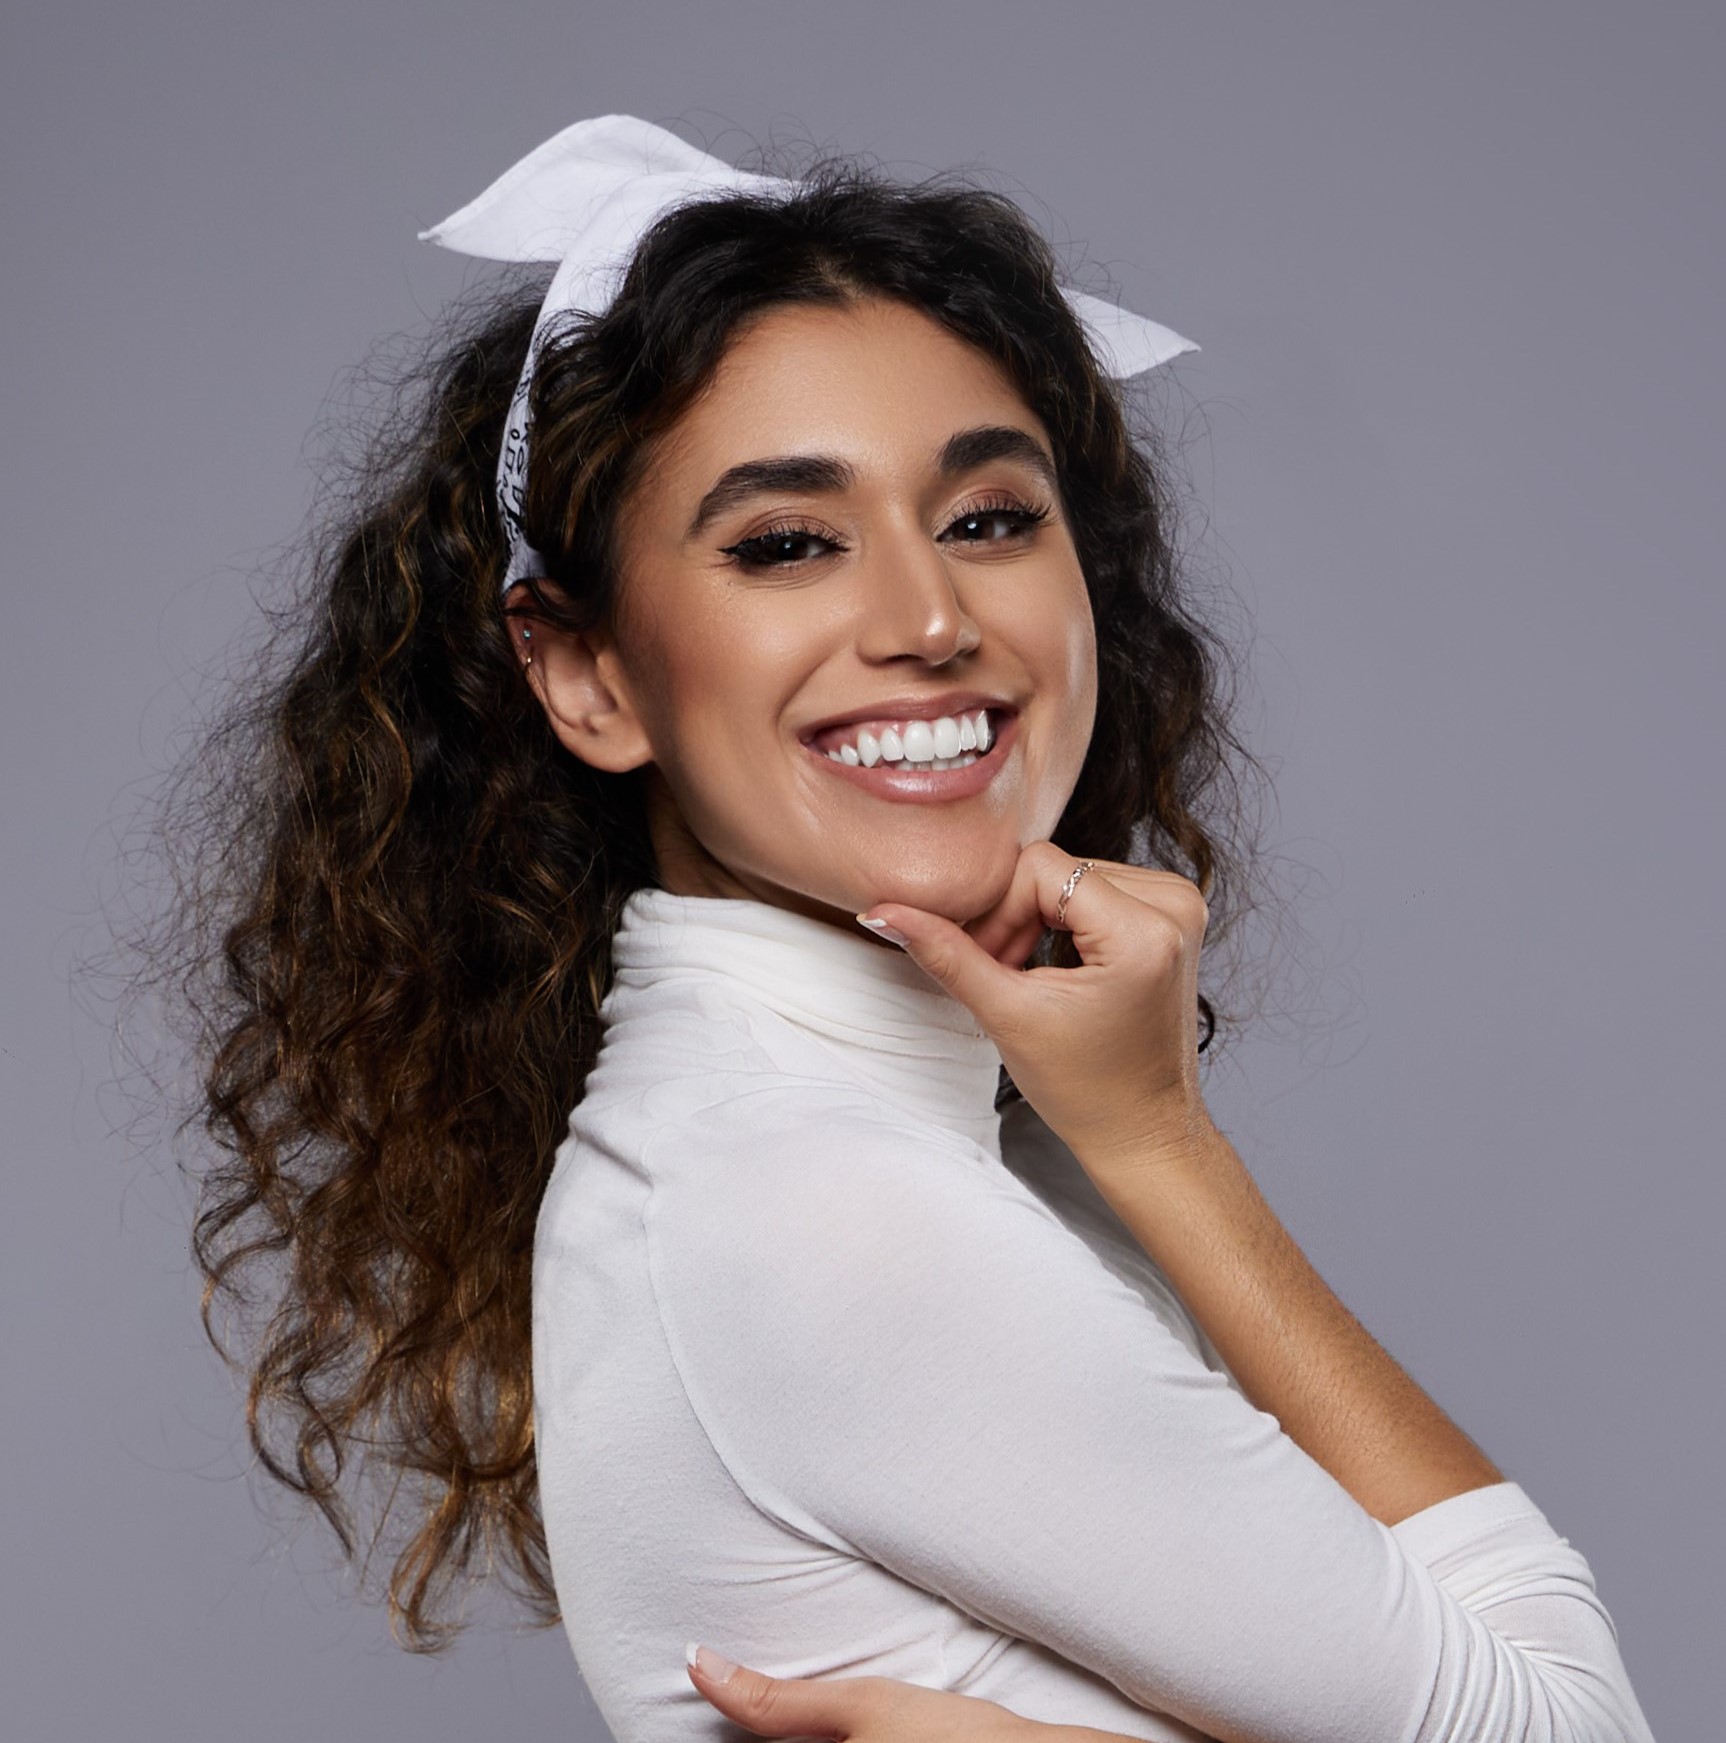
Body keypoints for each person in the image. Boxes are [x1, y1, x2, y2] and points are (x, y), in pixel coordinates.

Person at [162, 116, 1653, 1742]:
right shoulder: (814, 1204)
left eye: (991, 518)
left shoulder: (862, 1142)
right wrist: (1165, 1141)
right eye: (786, 543)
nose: (929, 619)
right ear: (586, 675)